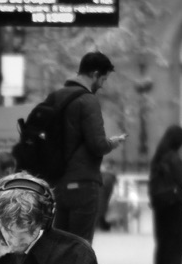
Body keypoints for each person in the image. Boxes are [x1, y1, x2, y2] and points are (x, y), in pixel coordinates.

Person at [42, 50, 125, 242]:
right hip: (83, 185)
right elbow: (97, 144)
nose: (102, 85)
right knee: (80, 247)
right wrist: (112, 143)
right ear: (94, 74)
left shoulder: (54, 97)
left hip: (58, 185)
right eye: (103, 79)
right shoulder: (88, 101)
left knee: (60, 245)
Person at [148, 124, 182, 264]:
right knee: (177, 240)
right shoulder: (172, 157)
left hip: (160, 203)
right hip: (174, 203)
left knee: (163, 240)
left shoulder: (158, 157)